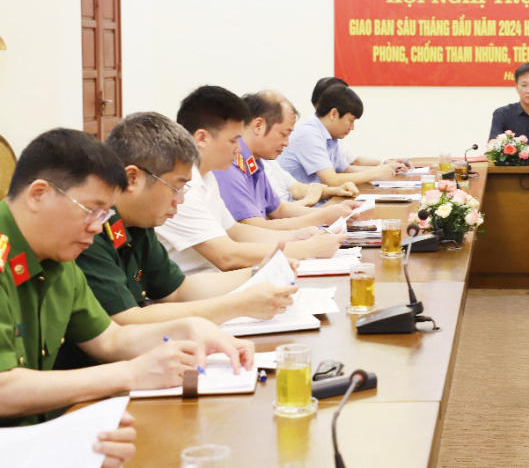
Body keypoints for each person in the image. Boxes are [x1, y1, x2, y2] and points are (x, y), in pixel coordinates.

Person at [0, 128, 253, 433]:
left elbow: (110, 339)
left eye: (104, 215)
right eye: (91, 211)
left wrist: (188, 329)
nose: (98, 228)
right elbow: (4, 388)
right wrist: (131, 373)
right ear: (38, 195)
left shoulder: (58, 256)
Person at [59, 113, 298, 364]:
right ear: (132, 179)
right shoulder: (90, 230)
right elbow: (124, 320)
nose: (180, 199)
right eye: (176, 187)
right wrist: (237, 305)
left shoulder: (139, 221)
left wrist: (256, 273)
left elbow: (178, 290)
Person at [156, 86, 343, 275]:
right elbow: (226, 256)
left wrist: (296, 236)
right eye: (233, 141)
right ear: (202, 138)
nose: (239, 149)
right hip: (200, 283)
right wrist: (306, 248)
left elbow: (236, 231)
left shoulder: (207, 175)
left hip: (216, 279)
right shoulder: (182, 187)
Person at [214, 91, 360, 229]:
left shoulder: (255, 162)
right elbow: (254, 228)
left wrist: (330, 211)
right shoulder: (230, 164)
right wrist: (323, 217)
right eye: (283, 134)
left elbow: (278, 209)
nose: (286, 143)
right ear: (258, 126)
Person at [278, 84, 400, 186]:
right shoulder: (309, 135)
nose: (352, 128)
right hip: (301, 204)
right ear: (333, 114)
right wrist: (375, 173)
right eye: (351, 121)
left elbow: (345, 169)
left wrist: (386, 168)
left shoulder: (330, 135)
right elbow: (332, 180)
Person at [304, 76, 408, 172]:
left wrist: (385, 164)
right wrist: (379, 171)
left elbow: (352, 162)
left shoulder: (332, 134)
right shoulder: (311, 134)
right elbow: (333, 178)